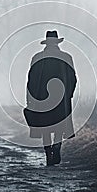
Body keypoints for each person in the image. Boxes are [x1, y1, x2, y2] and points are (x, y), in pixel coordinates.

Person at [24, 30, 77, 166]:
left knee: (45, 127)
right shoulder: (66, 57)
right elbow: (73, 79)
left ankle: (48, 152)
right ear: (57, 42)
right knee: (59, 125)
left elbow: (31, 81)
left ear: (46, 43)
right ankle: (57, 146)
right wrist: (68, 95)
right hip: (61, 100)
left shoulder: (37, 58)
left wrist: (30, 100)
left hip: (42, 99)